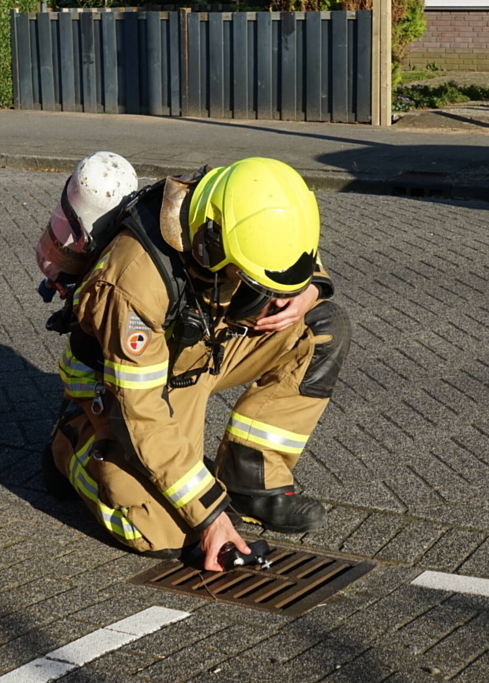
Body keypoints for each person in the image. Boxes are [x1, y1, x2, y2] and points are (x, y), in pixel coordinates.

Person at [45, 157, 351, 571]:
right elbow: (142, 414)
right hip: (133, 385)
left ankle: (252, 481)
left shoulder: (235, 205)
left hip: (201, 352)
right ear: (211, 242)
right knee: (158, 531)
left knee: (321, 328)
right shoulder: (134, 282)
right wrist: (210, 515)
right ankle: (70, 446)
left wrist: (308, 290)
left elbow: (289, 252)